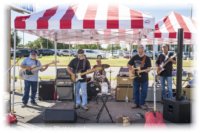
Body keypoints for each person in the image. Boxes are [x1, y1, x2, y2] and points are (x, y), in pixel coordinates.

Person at [128, 45, 152, 110]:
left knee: (144, 91)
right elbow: (129, 64)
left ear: (143, 49)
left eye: (140, 48)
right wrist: (132, 69)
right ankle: (136, 103)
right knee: (135, 91)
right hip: (136, 77)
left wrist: (147, 70)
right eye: (138, 48)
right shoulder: (134, 57)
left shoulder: (147, 58)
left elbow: (149, 68)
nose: (139, 50)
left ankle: (142, 103)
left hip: (144, 77)